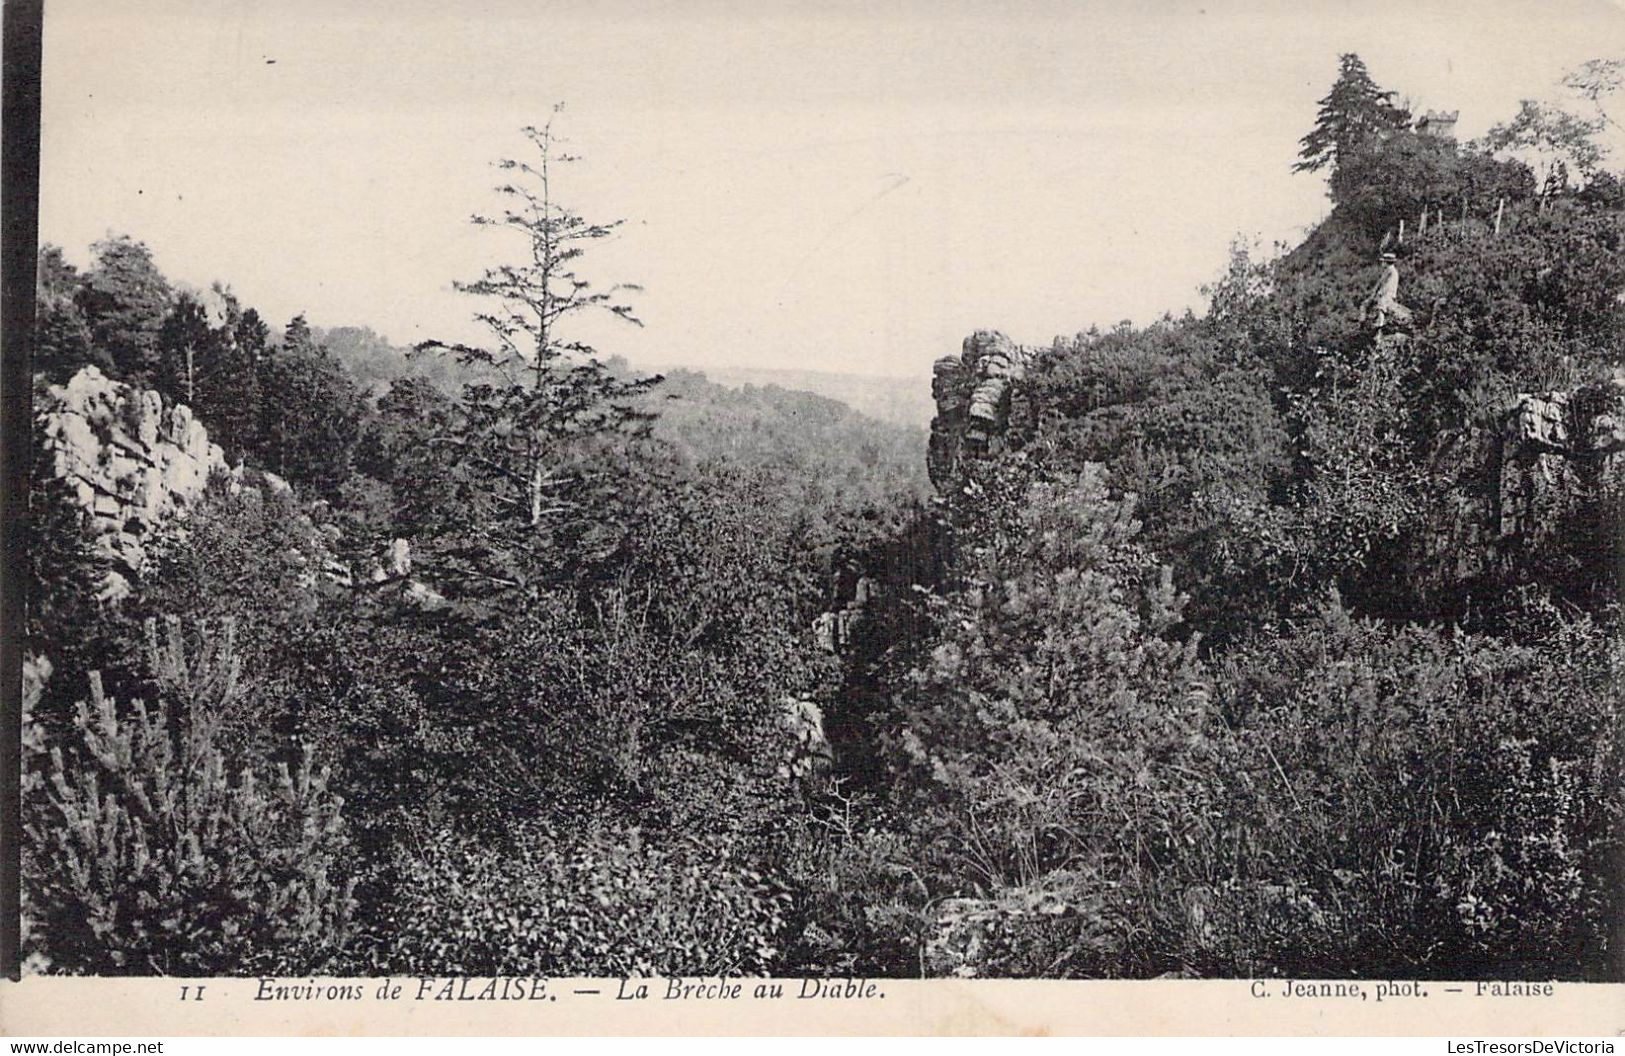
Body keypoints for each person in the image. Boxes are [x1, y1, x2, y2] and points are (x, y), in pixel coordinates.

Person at [1365, 251, 1413, 332]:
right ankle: (1378, 320)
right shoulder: (1390, 270)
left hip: (1388, 292)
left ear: (1387, 262)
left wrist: (1381, 292)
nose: (1382, 263)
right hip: (1388, 292)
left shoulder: (1390, 271)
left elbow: (1386, 283)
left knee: (1381, 305)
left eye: (1383, 262)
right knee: (1379, 304)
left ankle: (1380, 322)